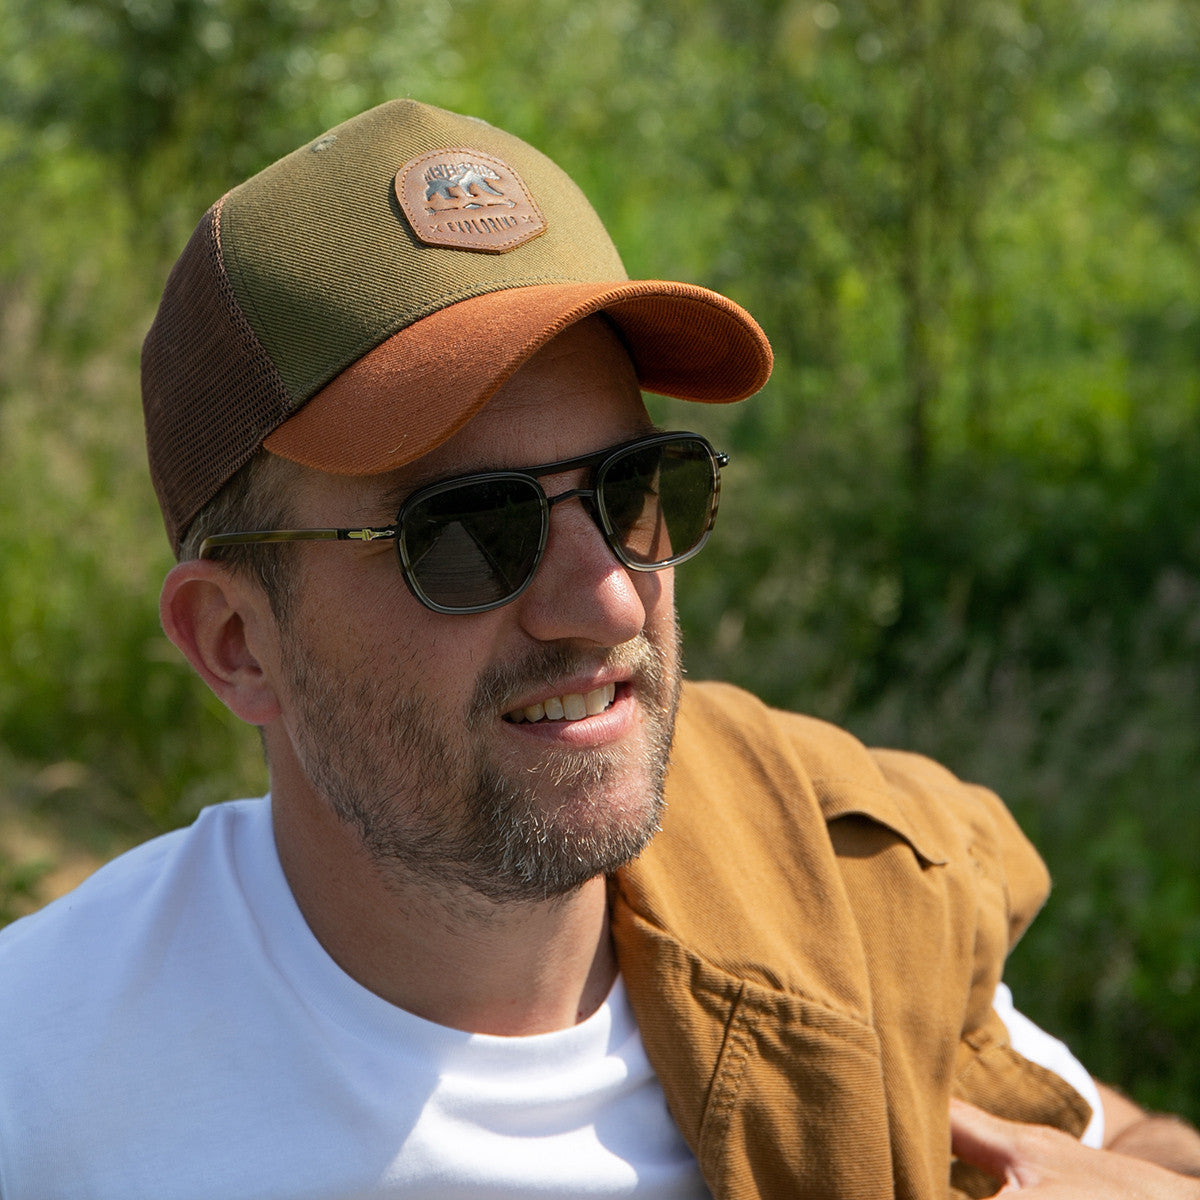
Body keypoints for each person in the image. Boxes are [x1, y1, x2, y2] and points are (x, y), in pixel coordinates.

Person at [0, 98, 1196, 1200]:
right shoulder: (44, 1091)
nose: (612, 600)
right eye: (468, 532)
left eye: (635, 487)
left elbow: (1125, 1140)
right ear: (234, 643)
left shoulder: (828, 902)